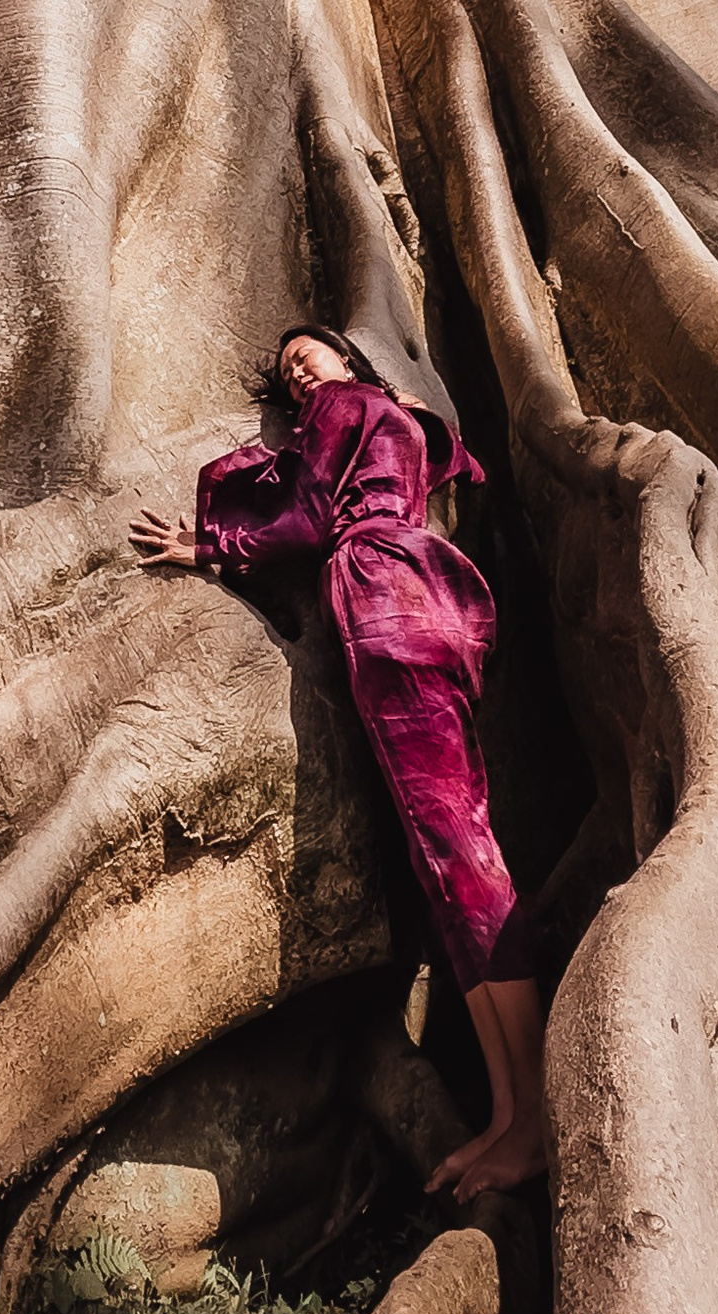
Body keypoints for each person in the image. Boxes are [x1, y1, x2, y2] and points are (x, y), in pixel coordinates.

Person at [134, 324, 547, 1200]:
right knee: (446, 857)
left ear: (347, 362)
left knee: (457, 855)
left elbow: (308, 509)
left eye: (308, 354)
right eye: (288, 370)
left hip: (386, 602)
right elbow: (449, 461)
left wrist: (212, 545)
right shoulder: (405, 422)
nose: (298, 371)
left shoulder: (341, 406)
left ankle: (535, 1114)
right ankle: (510, 1115)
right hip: (430, 597)